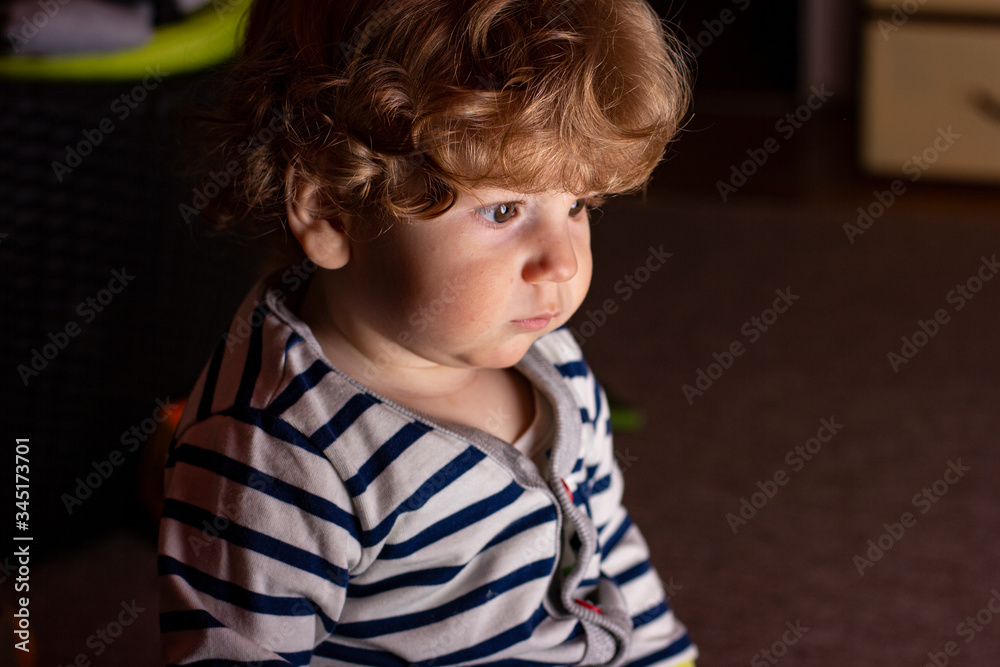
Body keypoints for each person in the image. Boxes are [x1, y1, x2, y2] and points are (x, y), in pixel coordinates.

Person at [158, 0, 696, 664]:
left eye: (578, 205)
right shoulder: (278, 449)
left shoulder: (550, 357)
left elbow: (605, 537)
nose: (563, 262)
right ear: (330, 210)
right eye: (505, 209)